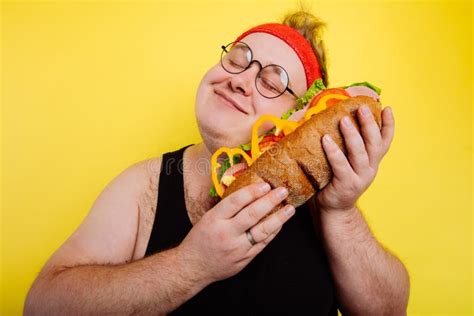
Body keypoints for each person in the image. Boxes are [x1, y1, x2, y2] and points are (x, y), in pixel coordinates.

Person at [24, 9, 410, 315]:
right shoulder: (143, 187)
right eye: (238, 59)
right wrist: (191, 266)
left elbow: (389, 312)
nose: (240, 80)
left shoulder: (323, 201)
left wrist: (341, 212)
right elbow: (42, 306)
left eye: (273, 82)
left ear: (297, 119)